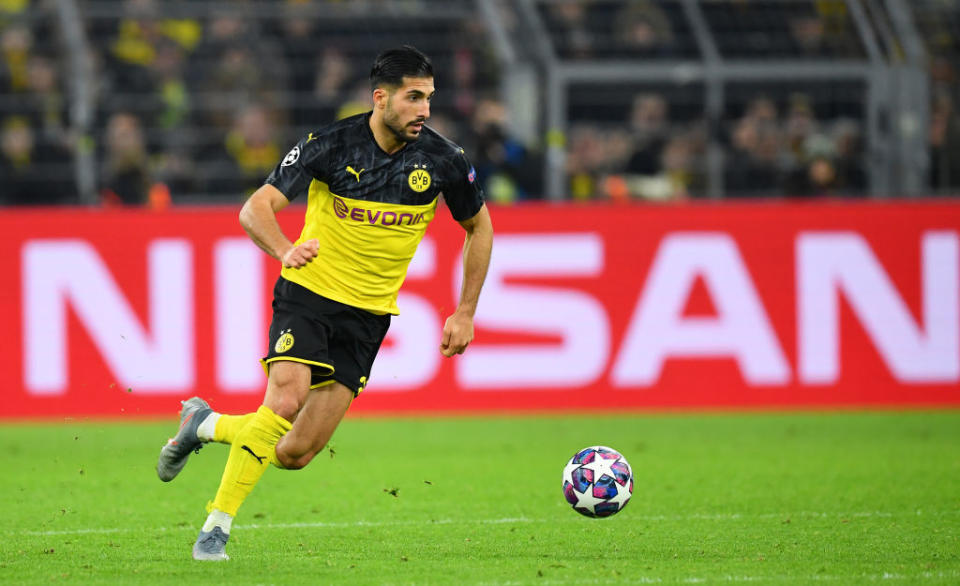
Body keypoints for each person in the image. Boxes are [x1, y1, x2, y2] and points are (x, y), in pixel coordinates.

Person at [155, 45, 493, 561]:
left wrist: (465, 310)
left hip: (368, 317)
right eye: (413, 97)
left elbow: (479, 226)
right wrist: (285, 250)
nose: (424, 109)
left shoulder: (444, 160)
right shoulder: (331, 145)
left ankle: (203, 424)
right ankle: (216, 527)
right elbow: (256, 209)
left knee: (292, 453)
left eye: (429, 98)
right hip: (309, 294)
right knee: (283, 402)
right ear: (381, 98)